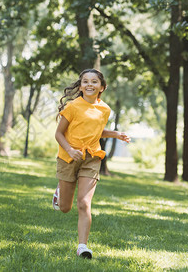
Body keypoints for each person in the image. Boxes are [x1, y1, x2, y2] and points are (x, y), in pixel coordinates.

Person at [52, 69, 130, 259]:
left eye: (94, 82)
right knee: (65, 207)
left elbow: (96, 130)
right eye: (85, 81)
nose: (89, 85)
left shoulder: (105, 109)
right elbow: (59, 134)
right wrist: (70, 150)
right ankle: (60, 192)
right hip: (68, 157)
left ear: (102, 87)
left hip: (92, 157)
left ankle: (82, 247)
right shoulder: (72, 107)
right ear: (80, 86)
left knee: (84, 203)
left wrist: (115, 134)